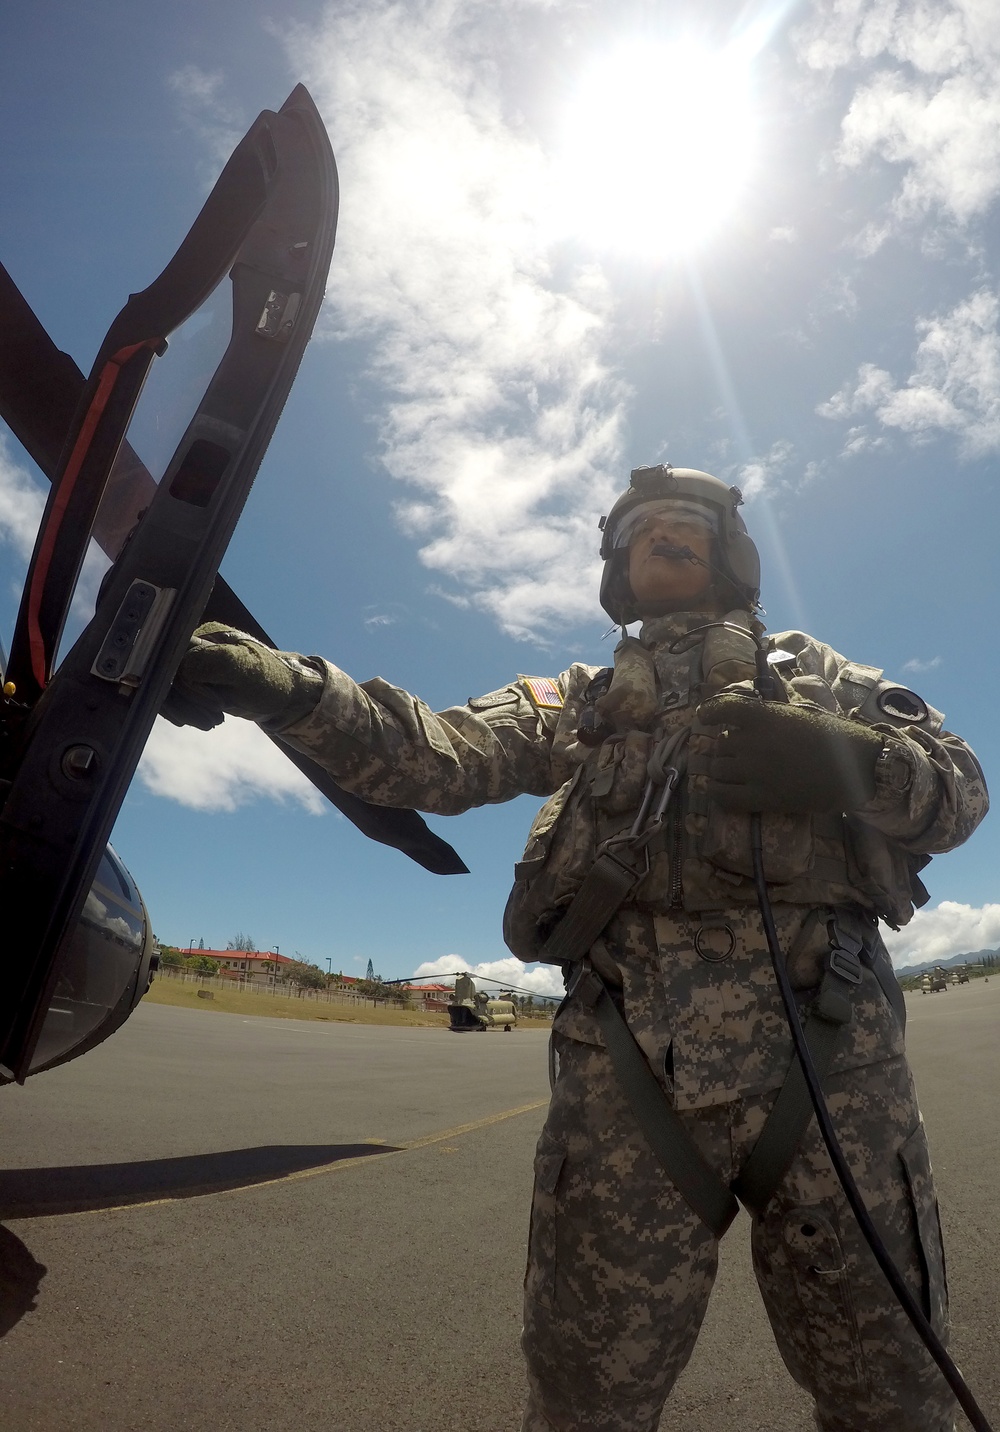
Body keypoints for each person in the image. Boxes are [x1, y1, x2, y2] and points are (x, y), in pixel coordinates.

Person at [172, 464, 988, 1432]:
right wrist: (286, 687)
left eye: (686, 525)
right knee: (584, 1390)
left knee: (891, 1383)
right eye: (641, 531)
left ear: (731, 554)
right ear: (614, 567)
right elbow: (434, 754)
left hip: (831, 1059)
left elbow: (959, 797)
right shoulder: (577, 700)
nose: (663, 539)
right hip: (623, 1064)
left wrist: (851, 760)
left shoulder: (826, 679)